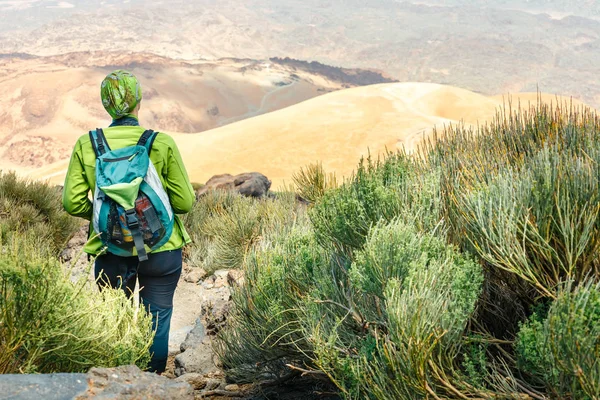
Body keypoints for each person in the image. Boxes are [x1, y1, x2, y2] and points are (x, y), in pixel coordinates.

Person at [62, 70, 195, 373]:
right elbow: (185, 201)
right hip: (162, 249)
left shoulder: (87, 143)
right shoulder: (160, 143)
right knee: (158, 318)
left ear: (106, 104)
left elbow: (71, 202)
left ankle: (119, 382)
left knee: (116, 319)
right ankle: (154, 382)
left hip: (111, 250)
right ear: (138, 100)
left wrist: (107, 219)